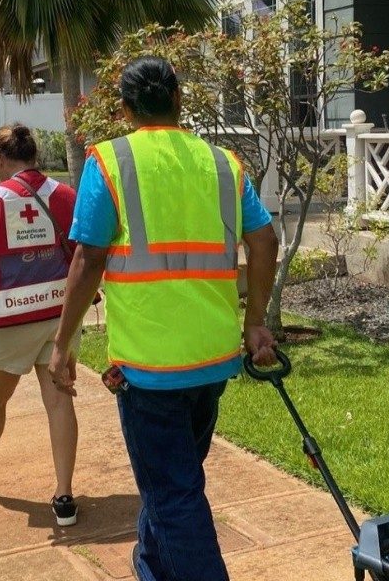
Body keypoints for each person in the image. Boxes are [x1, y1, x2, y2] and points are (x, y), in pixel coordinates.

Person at [49, 57, 279, 580]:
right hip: (213, 359)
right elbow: (264, 239)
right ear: (179, 100)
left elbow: (88, 260)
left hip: (149, 366)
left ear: (126, 108)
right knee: (173, 481)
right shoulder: (224, 163)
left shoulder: (110, 161)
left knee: (173, 494)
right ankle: (150, 568)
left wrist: (63, 344)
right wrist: (256, 320)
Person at [0, 125, 81, 527]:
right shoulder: (67, 195)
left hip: (10, 315)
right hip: (60, 314)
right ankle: (64, 497)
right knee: (59, 399)